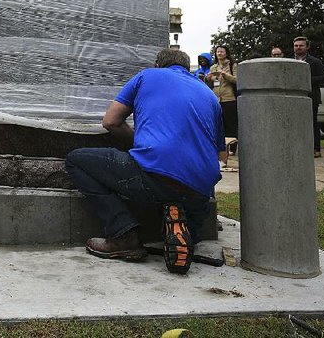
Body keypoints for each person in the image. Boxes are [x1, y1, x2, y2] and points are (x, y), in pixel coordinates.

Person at [65, 48, 225, 273]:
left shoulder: (147, 76)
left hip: (154, 174)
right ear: (187, 67)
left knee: (76, 160)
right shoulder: (209, 94)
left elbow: (110, 121)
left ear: (158, 64)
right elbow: (219, 151)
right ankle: (183, 224)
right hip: (200, 191)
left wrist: (140, 142)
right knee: (187, 217)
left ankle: (124, 234)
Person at [293, 36, 324, 158]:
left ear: (307, 47)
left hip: (310, 96)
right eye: (296, 45)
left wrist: (306, 80)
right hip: (293, 97)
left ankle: (316, 149)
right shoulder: (290, 61)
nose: (298, 48)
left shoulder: (315, 62)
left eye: (301, 45)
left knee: (311, 123)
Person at [206, 45, 239, 156]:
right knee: (218, 124)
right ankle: (220, 148)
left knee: (231, 125)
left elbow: (237, 80)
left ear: (226, 53)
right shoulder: (213, 67)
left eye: (221, 51)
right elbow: (210, 85)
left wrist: (226, 76)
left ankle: (232, 149)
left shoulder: (232, 65)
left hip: (229, 98)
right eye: (217, 52)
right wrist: (209, 79)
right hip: (216, 99)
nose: (219, 54)